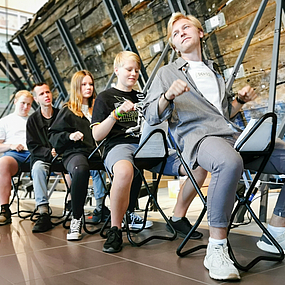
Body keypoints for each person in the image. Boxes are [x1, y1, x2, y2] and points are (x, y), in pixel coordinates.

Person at [142, 12, 285, 281]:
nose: (181, 33)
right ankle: (216, 248)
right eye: (176, 33)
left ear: (200, 33)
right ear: (174, 45)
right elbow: (150, 115)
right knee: (228, 162)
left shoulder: (215, 71)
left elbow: (220, 116)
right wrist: (167, 95)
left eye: (186, 28)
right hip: (199, 139)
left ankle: (277, 228)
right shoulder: (167, 73)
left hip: (231, 136)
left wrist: (238, 102)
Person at [91, 51, 206, 253]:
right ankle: (115, 229)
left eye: (136, 70)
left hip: (151, 146)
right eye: (129, 69)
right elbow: (97, 135)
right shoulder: (105, 97)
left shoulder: (145, 96)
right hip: (120, 146)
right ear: (117, 70)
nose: (134, 73)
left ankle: (178, 217)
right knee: (125, 172)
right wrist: (115, 115)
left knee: (198, 166)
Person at [49, 70, 98, 241]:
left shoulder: (99, 108)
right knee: (80, 169)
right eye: (84, 84)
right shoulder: (68, 110)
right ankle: (76, 217)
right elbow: (53, 137)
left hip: (98, 152)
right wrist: (70, 136)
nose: (88, 87)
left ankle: (127, 215)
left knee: (129, 163)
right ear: (76, 87)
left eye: (90, 84)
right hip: (76, 152)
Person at [26, 83, 60, 233]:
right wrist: (49, 153)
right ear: (36, 99)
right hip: (43, 158)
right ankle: (43, 212)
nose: (46, 95)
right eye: (41, 94)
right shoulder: (32, 120)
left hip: (62, 156)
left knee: (77, 165)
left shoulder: (61, 115)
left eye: (48, 92)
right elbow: (32, 146)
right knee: (38, 168)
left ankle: (75, 208)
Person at [0, 90, 34, 225]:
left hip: (33, 153)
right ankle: (4, 209)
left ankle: (70, 204)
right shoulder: (5, 121)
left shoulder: (33, 120)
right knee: (3, 163)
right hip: (15, 155)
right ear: (15, 102)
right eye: (23, 103)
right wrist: (11, 145)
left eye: (29, 104)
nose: (25, 107)